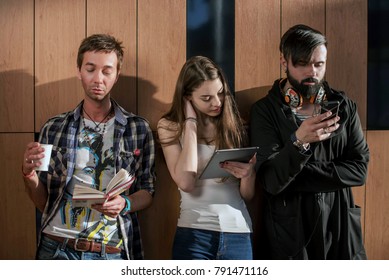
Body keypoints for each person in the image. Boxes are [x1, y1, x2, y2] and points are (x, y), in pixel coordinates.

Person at [21, 34, 155, 260]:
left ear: (117, 74)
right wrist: (28, 174)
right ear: (79, 71)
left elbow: (148, 191)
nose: (98, 79)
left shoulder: (138, 128)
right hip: (57, 247)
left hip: (110, 251)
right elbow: (43, 201)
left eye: (106, 71)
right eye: (90, 69)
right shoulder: (53, 128)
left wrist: (125, 203)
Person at [250, 24, 369, 259]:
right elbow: (271, 181)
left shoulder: (344, 106)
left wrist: (294, 176)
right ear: (284, 62)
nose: (312, 72)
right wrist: (298, 142)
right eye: (302, 64)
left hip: (340, 223)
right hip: (292, 229)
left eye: (318, 64)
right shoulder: (265, 111)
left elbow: (359, 171)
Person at [157, 56, 256, 260]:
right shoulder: (169, 126)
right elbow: (186, 182)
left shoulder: (233, 126)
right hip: (194, 233)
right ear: (187, 97)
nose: (217, 103)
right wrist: (191, 123)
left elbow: (247, 195)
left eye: (220, 93)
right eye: (206, 98)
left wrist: (249, 176)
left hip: (238, 232)